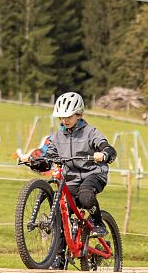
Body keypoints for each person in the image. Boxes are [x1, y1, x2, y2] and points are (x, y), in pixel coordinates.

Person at [29, 91, 116, 247]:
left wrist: (104, 154)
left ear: (78, 114)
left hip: (93, 174)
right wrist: (36, 162)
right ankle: (59, 257)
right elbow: (48, 158)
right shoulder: (56, 137)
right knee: (62, 214)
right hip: (71, 178)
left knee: (85, 197)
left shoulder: (91, 133)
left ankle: (98, 223)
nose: (64, 120)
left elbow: (107, 148)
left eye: (68, 116)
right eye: (61, 117)